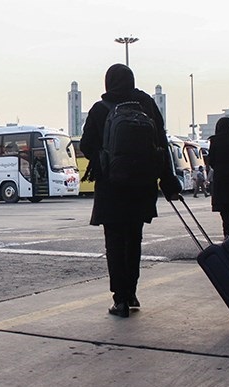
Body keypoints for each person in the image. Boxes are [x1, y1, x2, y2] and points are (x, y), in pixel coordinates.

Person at [79, 63, 181, 319]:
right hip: (142, 185)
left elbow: (85, 144)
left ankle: (120, 299)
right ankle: (132, 292)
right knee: (134, 239)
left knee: (114, 242)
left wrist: (104, 158)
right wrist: (168, 182)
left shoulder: (101, 108)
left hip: (112, 187)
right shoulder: (146, 105)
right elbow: (162, 143)